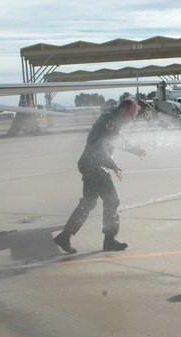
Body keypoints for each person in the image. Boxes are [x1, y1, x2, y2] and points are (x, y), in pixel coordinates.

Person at [54, 99, 146, 254]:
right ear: (123, 110)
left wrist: (136, 150)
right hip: (95, 165)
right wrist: (113, 164)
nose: (133, 118)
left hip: (90, 164)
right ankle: (109, 240)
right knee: (112, 200)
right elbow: (99, 148)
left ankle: (65, 236)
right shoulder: (109, 121)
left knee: (89, 202)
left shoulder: (113, 120)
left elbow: (117, 141)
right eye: (132, 114)